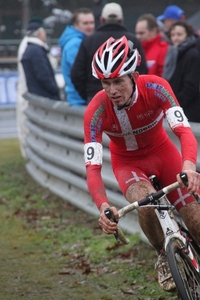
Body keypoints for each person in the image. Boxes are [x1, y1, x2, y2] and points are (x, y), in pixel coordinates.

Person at [83, 36, 200, 292]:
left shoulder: (157, 87)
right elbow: (92, 168)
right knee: (145, 205)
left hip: (163, 154)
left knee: (196, 219)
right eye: (105, 83)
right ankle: (163, 255)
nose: (112, 90)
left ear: (134, 76)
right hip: (128, 164)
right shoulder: (96, 110)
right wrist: (103, 206)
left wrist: (189, 166)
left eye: (118, 82)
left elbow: (183, 131)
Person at [71, 2, 147, 104]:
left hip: (95, 96)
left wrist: (89, 94)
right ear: (122, 20)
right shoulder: (132, 40)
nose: (112, 90)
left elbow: (76, 74)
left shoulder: (89, 41)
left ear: (101, 20)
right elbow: (142, 71)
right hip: (126, 97)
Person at [17, 16, 45, 158]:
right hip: (27, 89)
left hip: (26, 88)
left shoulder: (26, 44)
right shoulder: (30, 47)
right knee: (26, 122)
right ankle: (28, 154)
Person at [162, 20, 200, 123]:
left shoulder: (193, 55)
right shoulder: (173, 54)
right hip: (176, 108)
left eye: (179, 34)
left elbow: (191, 86)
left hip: (188, 111)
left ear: (187, 35)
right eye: (173, 34)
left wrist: (175, 104)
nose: (175, 38)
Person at [58, 8, 95, 106]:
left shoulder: (80, 41)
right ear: (75, 25)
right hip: (79, 100)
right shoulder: (75, 44)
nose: (90, 26)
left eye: (92, 23)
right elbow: (79, 73)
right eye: (85, 23)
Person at [21, 22, 60, 100]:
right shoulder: (36, 51)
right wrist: (55, 90)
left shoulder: (30, 49)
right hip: (44, 96)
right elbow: (43, 75)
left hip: (36, 95)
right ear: (39, 33)